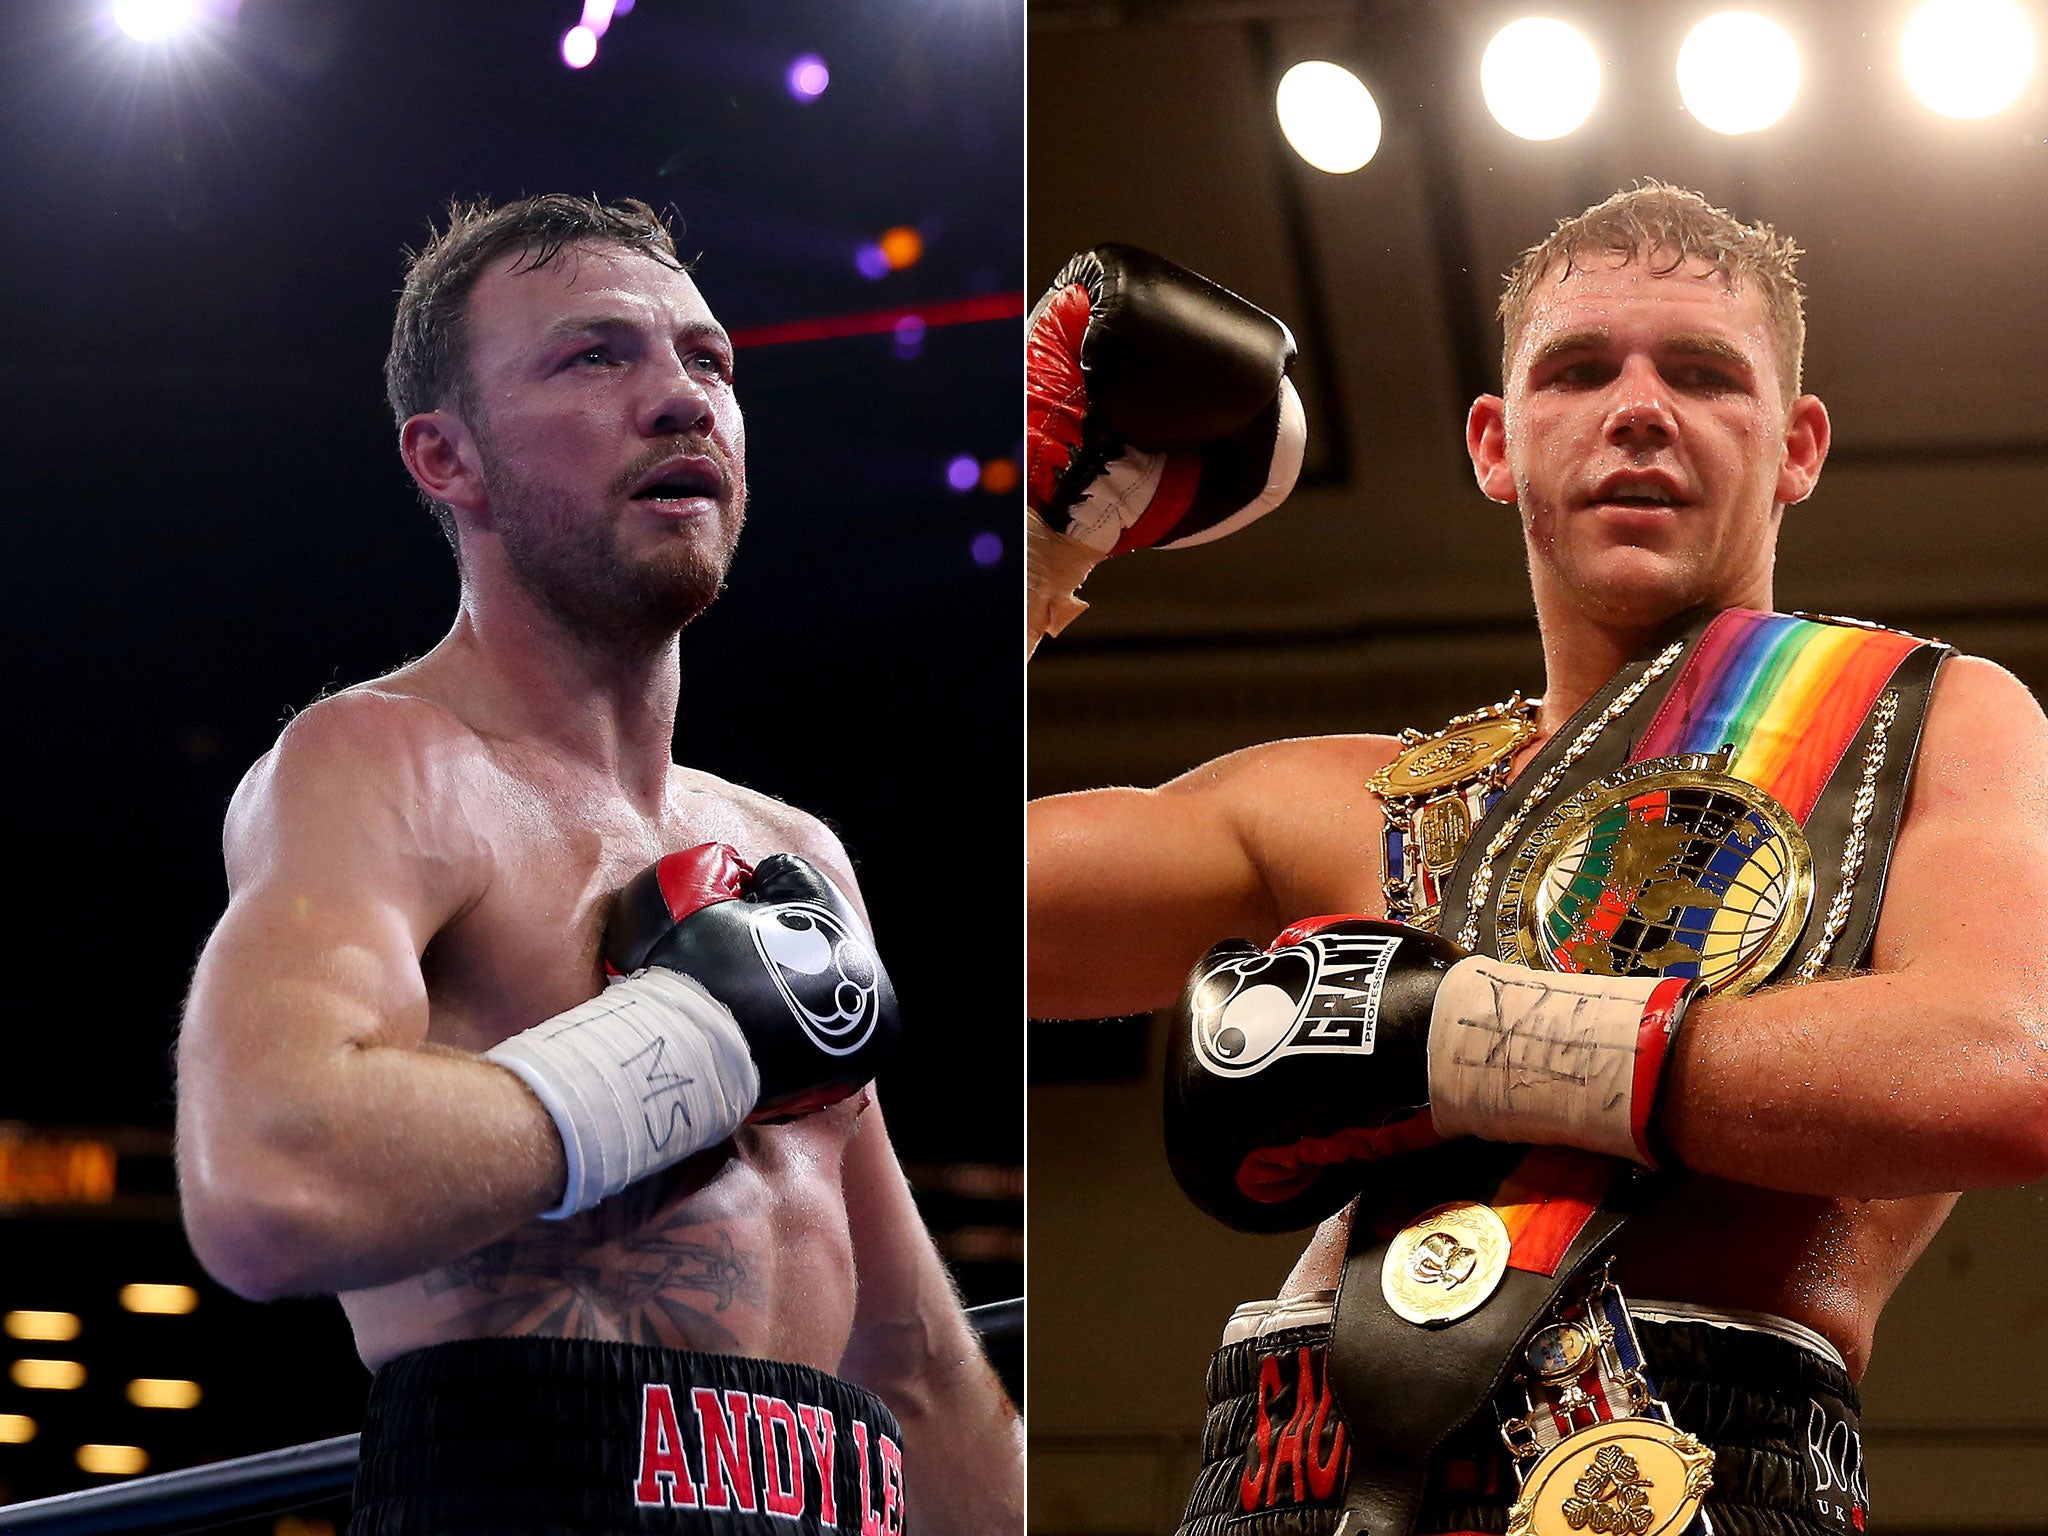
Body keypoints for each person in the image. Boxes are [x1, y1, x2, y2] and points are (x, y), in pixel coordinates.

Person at [1026, 186, 2048, 1536]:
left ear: (1798, 447)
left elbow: (2007, 1068)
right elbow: (889, 906)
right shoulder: (1344, 800)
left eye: (1701, 374)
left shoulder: (1910, 724)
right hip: (1283, 1477)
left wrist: (1465, 1040)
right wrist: (1037, 549)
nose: (1638, 408)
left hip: (1679, 1461)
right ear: (1495, 446)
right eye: (1579, 369)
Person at [177, 194, 1021, 1536]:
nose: (683, 398)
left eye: (709, 360)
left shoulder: (793, 857)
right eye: (597, 355)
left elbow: (907, 1367)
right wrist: (690, 1041)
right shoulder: (387, 765)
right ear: (447, 458)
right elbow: (273, 1182)